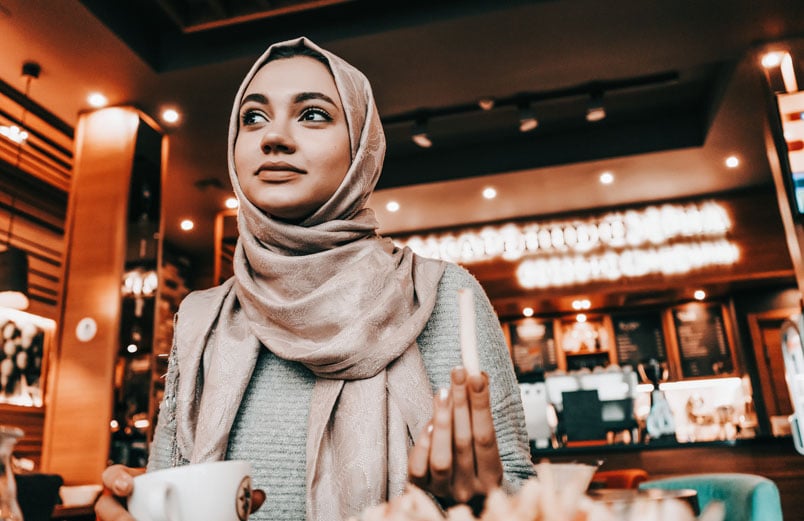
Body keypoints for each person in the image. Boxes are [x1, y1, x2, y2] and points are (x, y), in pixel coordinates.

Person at [96, 37, 534, 521]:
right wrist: (134, 507)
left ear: (361, 147)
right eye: (253, 117)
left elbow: (520, 493)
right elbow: (169, 485)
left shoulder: (444, 297)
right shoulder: (203, 320)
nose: (273, 137)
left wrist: (480, 501)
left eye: (312, 114)